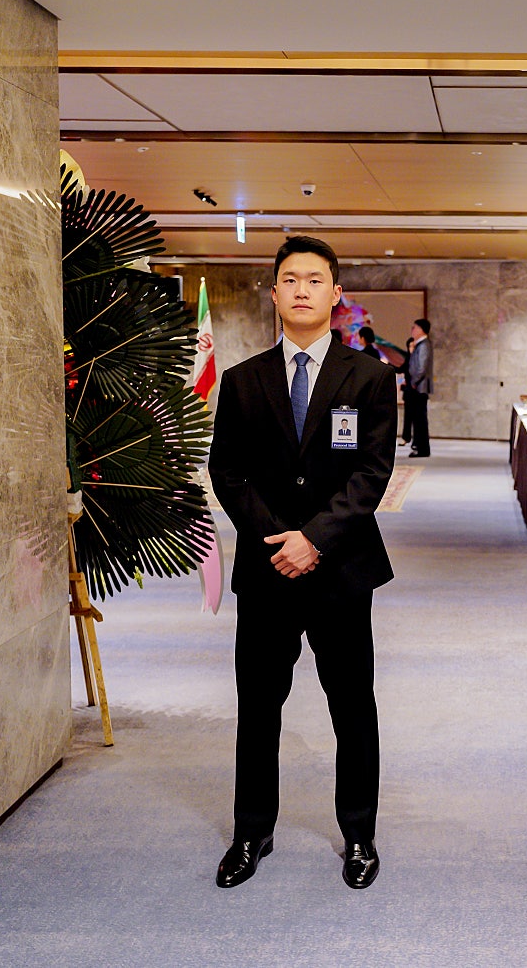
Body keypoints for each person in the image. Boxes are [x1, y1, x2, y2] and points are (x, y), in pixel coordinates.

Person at [207, 235, 398, 892]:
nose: (302, 290)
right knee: (259, 706)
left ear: (335, 293)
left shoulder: (369, 377)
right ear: (274, 292)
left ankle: (360, 834)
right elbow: (227, 472)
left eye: (315, 280)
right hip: (267, 572)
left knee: (353, 705)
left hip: (341, 569)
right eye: (290, 279)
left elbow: (373, 472)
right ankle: (251, 831)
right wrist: (277, 539)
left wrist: (314, 539)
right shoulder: (243, 380)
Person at [402, 317, 434, 458]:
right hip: (416, 386)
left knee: (420, 420)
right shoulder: (419, 345)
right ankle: (420, 447)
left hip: (418, 388)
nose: (412, 330)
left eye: (414, 328)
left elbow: (421, 368)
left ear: (421, 329)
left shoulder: (424, 345)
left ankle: (422, 448)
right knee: (417, 419)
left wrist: (413, 382)